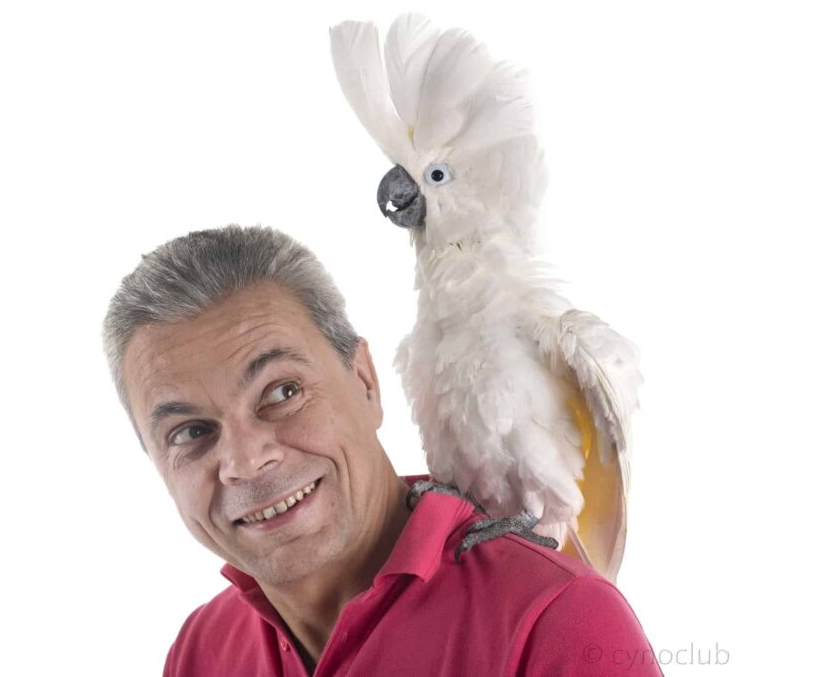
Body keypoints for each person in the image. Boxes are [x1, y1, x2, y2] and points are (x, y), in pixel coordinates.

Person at [102, 225, 663, 676]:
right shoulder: (202, 650)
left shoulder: (554, 618)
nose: (247, 461)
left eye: (282, 392)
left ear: (366, 383)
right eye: (192, 432)